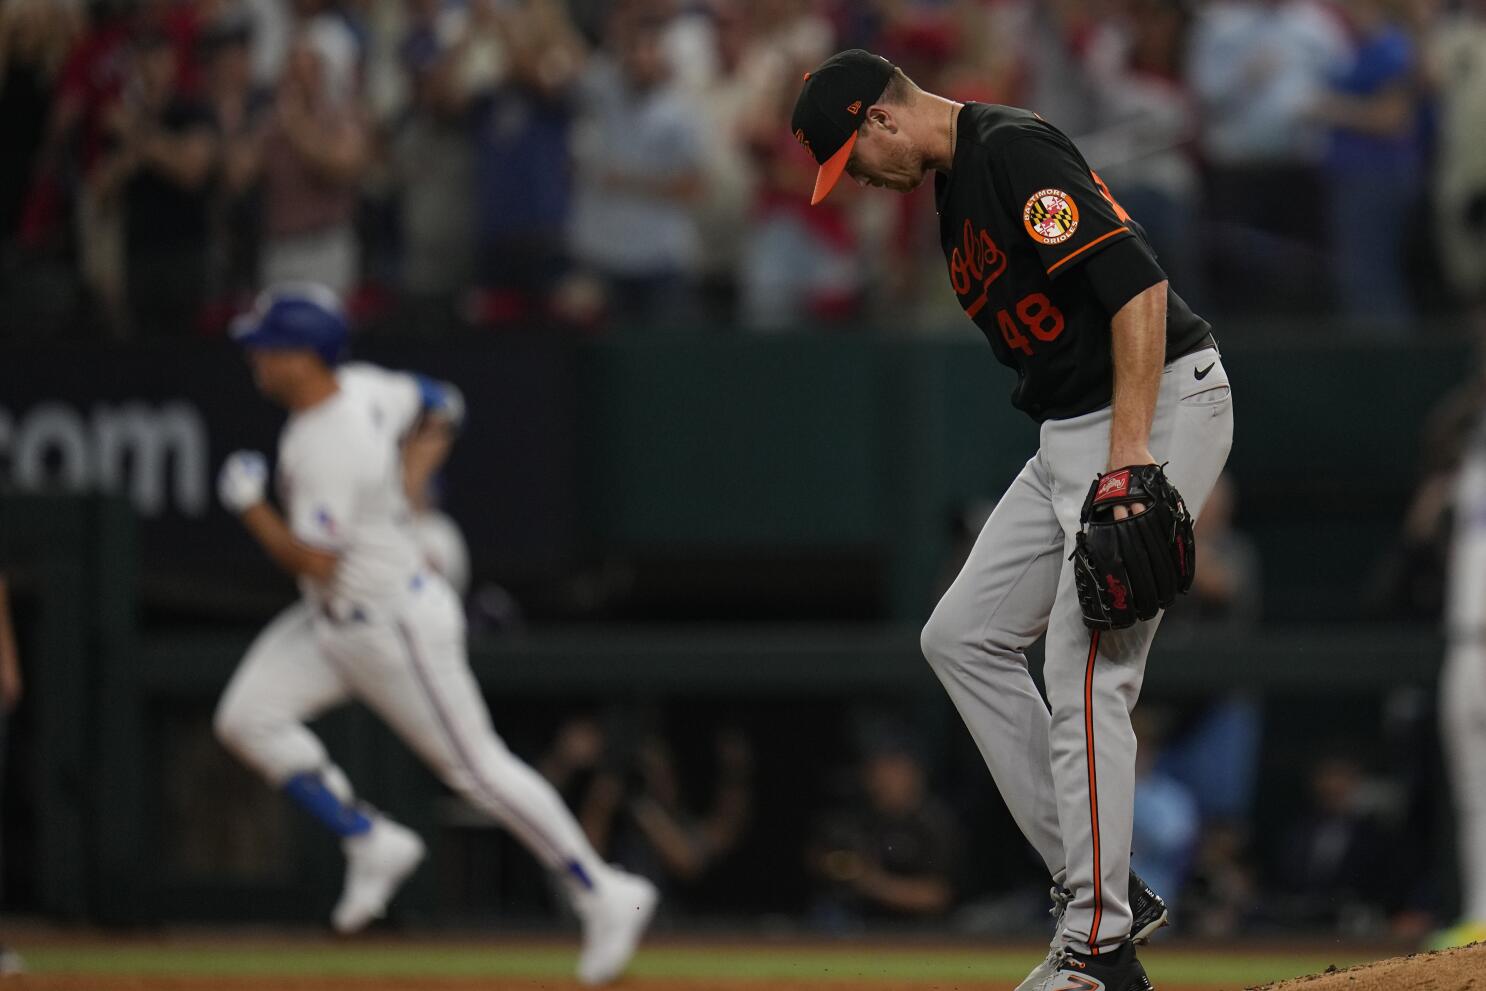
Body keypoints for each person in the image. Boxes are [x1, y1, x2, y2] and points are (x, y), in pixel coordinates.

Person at [791, 50, 1233, 991]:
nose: (858, 181)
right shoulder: (954, 188)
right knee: (961, 636)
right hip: (1068, 432)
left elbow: (1139, 288)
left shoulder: (1011, 149)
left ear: (879, 120)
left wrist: (1128, 457)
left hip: (1154, 410)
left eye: (851, 159)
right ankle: (1100, 887)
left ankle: (1097, 947)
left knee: (1086, 668)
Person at [211, 284, 655, 986]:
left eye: (269, 347)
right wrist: (410, 484)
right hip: (331, 622)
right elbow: (443, 399)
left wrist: (250, 509)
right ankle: (370, 838)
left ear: (305, 356)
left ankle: (603, 889)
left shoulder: (334, 439)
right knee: (246, 716)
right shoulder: (366, 387)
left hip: (391, 626)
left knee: (478, 768)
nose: (256, 358)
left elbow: (315, 561)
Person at [1436, 406, 1486, 948]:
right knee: (1472, 794)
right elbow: (1442, 435)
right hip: (1464, 640)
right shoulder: (1470, 473)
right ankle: (1480, 914)